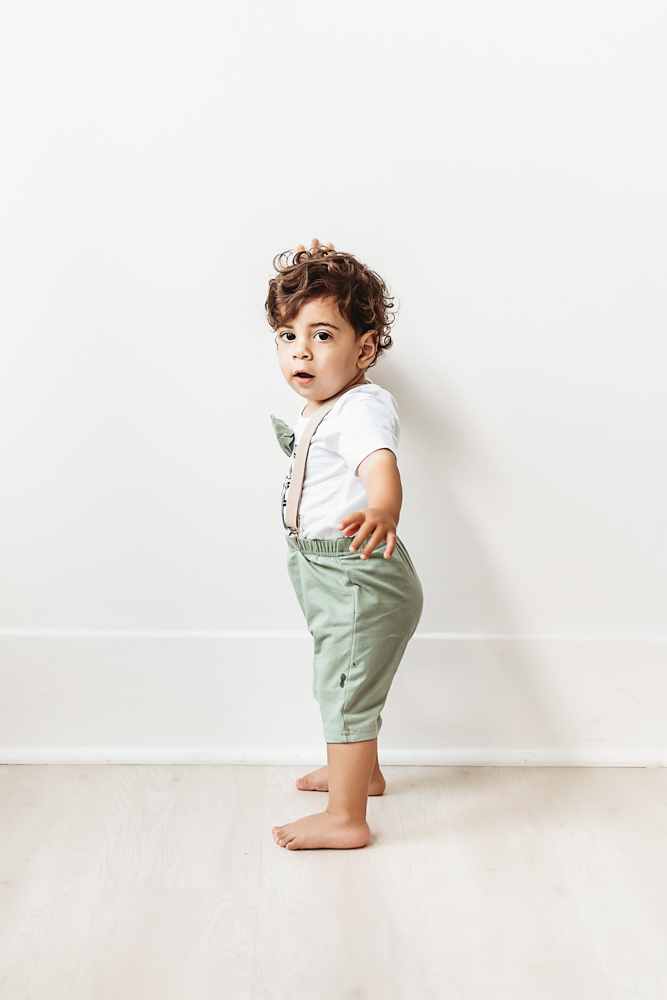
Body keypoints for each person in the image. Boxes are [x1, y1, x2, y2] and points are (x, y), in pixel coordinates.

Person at [267, 239, 423, 849]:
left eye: (323, 335)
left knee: (345, 687)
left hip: (357, 576)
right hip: (328, 573)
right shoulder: (328, 402)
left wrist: (383, 506)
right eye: (288, 335)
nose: (300, 350)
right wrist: (319, 270)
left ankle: (346, 818)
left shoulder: (361, 409)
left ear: (365, 349)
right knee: (345, 677)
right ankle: (364, 773)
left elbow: (378, 461)